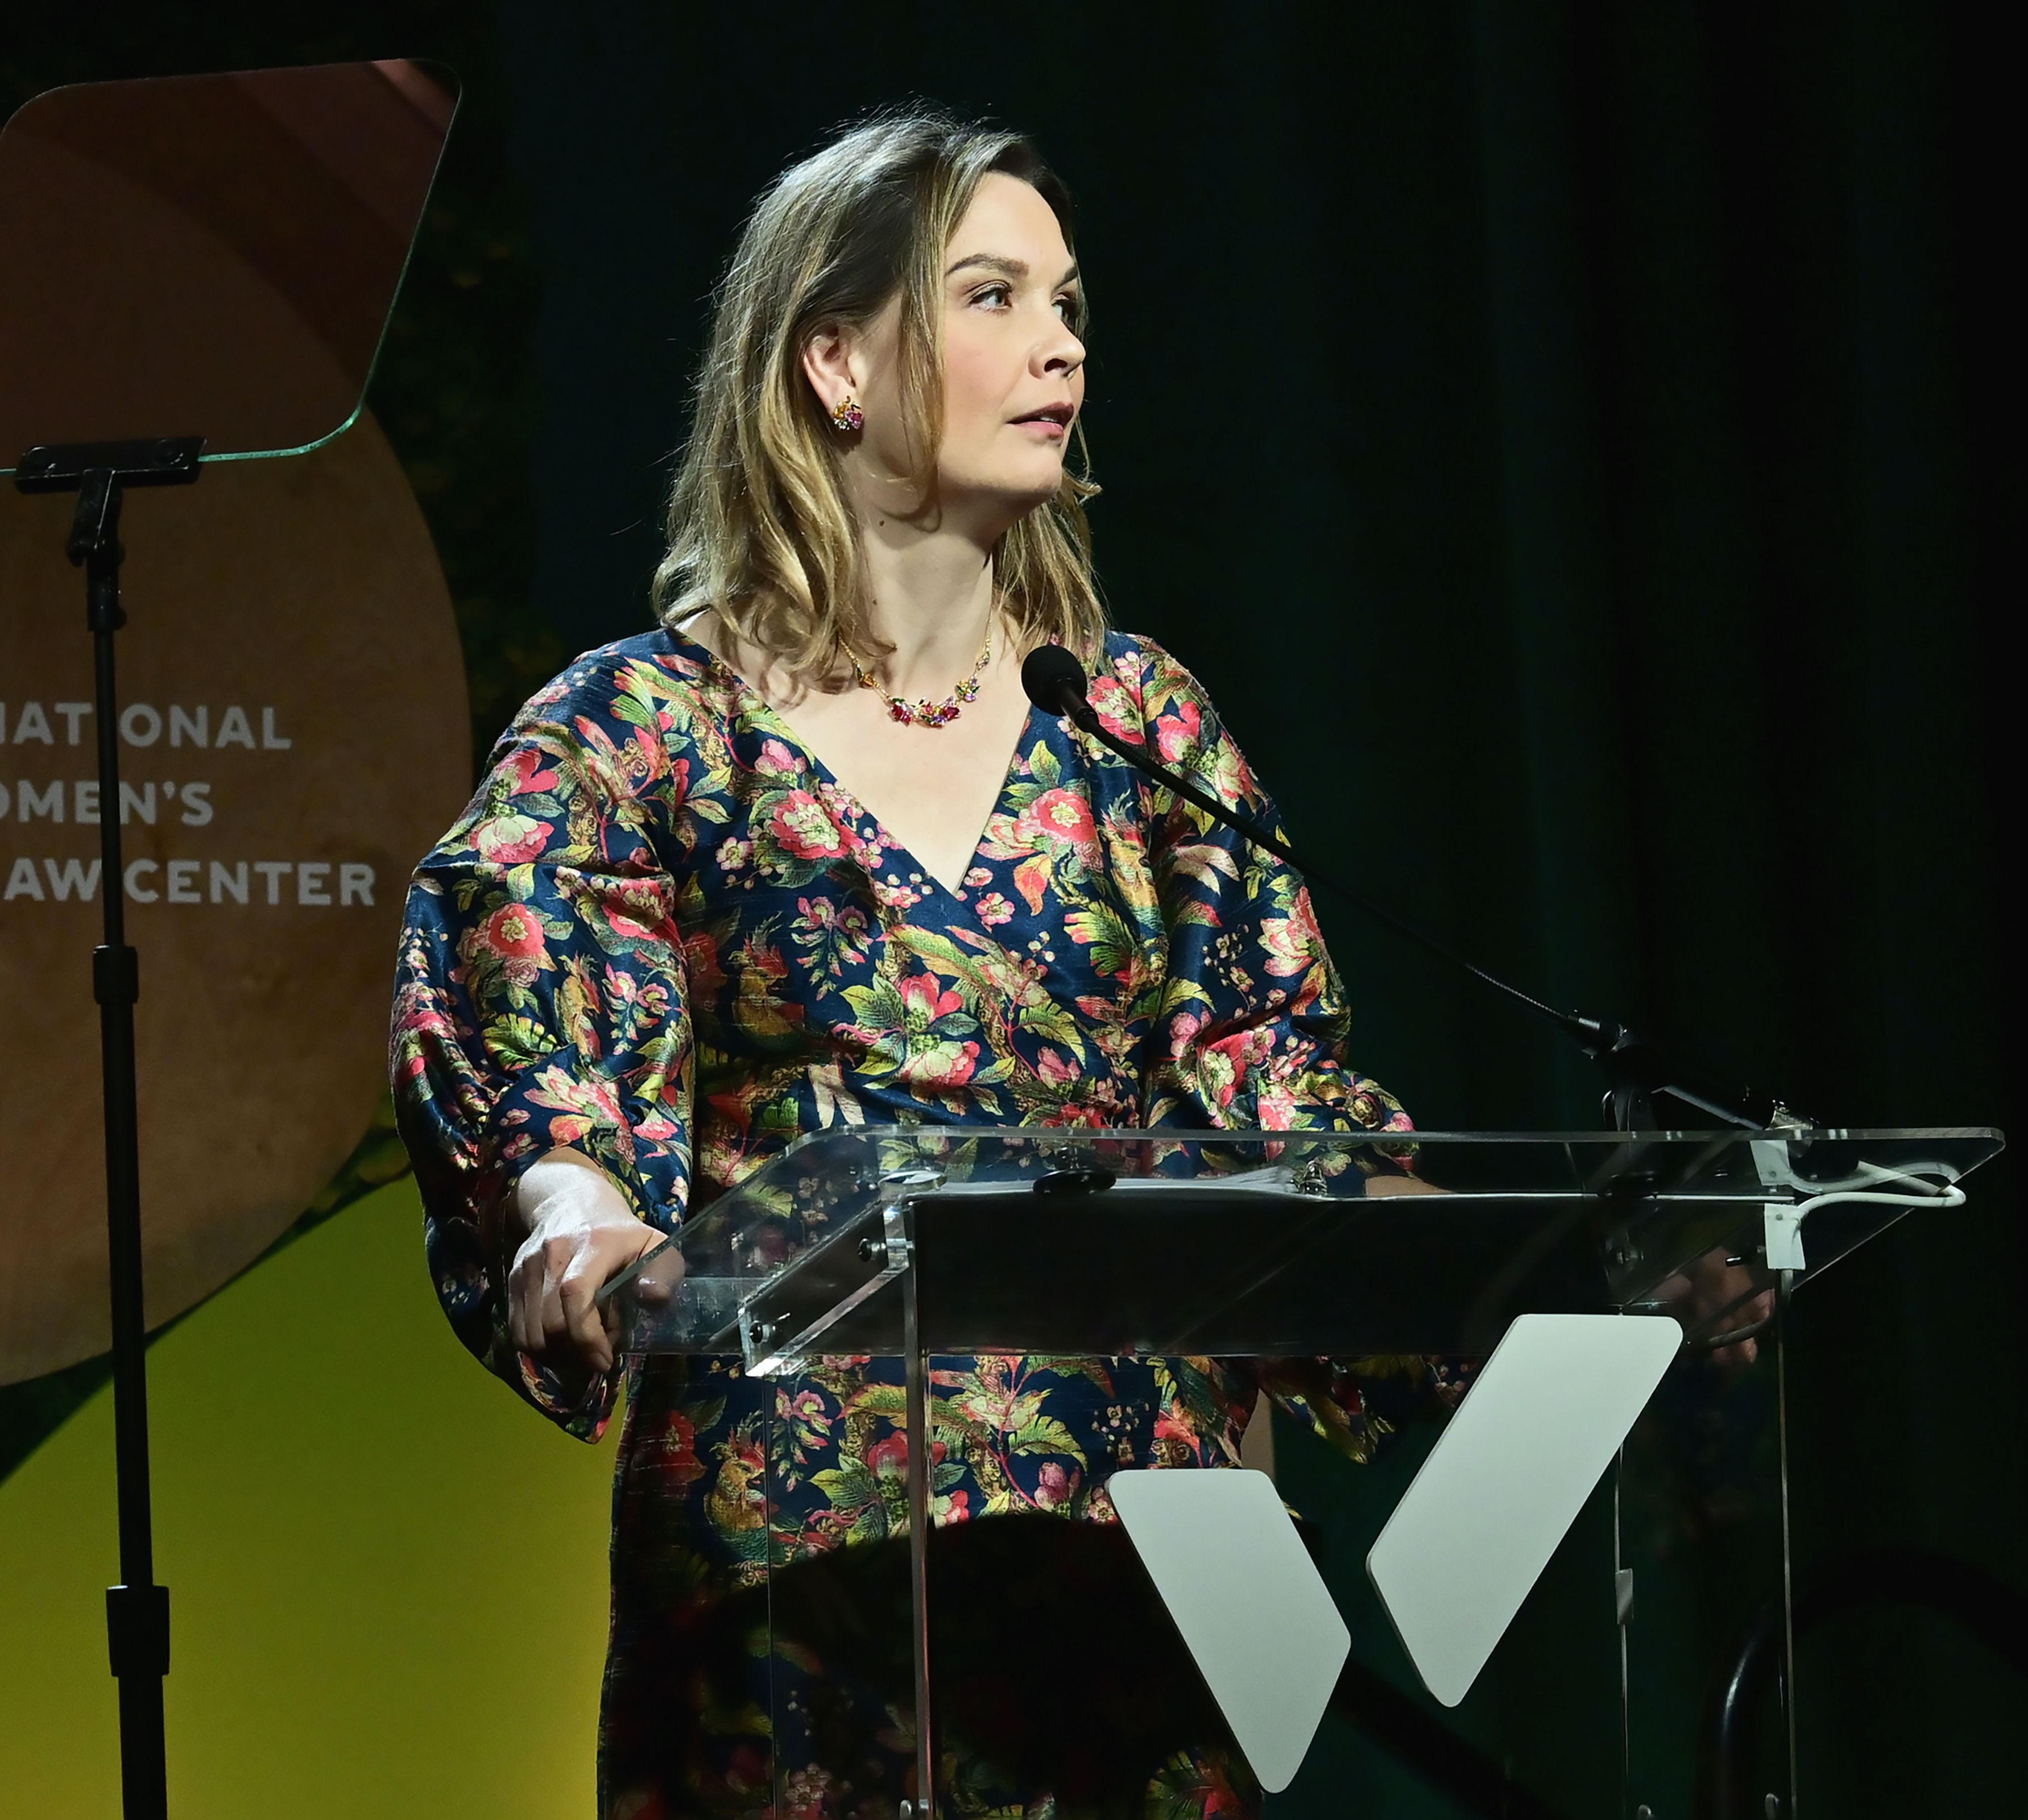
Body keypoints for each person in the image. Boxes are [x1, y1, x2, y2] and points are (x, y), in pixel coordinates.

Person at [391, 111, 1435, 1820]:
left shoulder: (1137, 724)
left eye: (1070, 302)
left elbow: (1273, 1083)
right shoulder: (647, 729)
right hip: (798, 1568)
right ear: (832, 361)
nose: (1061, 342)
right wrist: (573, 1195)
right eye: (994, 293)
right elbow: (533, 988)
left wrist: (1497, 1262)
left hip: (1134, 1550)